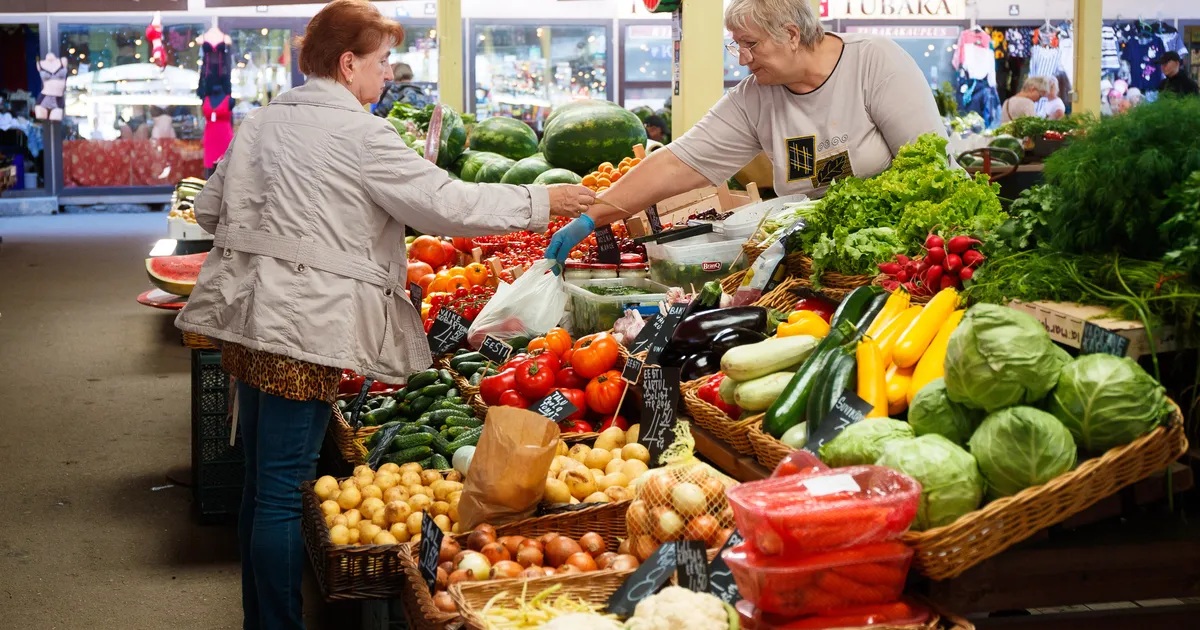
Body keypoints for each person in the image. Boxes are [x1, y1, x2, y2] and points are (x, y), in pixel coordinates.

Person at [174, 2, 594, 628]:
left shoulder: (260, 123)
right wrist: (545, 198)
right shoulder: (362, 134)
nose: (387, 73)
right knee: (286, 489)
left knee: (263, 483)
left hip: (248, 317)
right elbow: (445, 203)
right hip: (304, 326)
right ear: (349, 65)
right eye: (381, 61)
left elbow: (210, 211)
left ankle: (259, 618)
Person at [544, 0, 945, 267]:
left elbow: (930, 167)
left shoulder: (875, 63)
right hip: (817, 257)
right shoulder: (754, 97)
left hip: (902, 253)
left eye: (750, 44)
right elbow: (677, 163)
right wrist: (593, 217)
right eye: (735, 45)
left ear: (791, 34)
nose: (742, 59)